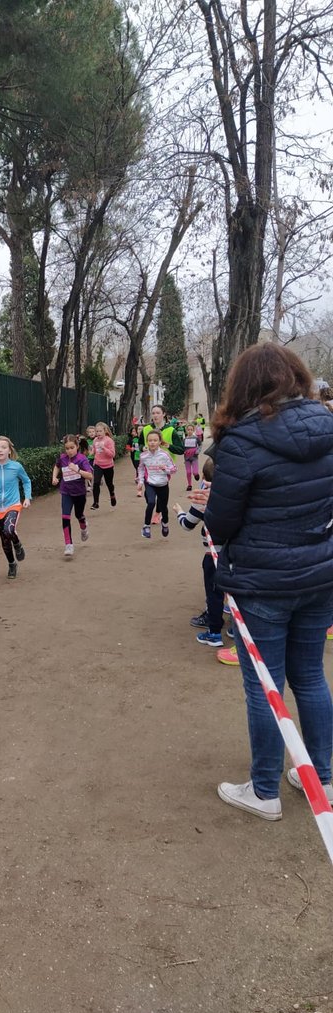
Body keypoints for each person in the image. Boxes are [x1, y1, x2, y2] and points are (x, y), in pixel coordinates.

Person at [203, 343, 333, 819]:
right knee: (310, 676)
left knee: (265, 686)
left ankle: (263, 790)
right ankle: (320, 776)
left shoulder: (240, 441)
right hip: (320, 577)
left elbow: (221, 524)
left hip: (263, 584)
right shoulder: (328, 426)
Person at [173, 458, 225, 647]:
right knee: (235, 591)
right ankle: (235, 629)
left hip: (212, 555)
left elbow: (187, 525)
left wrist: (179, 511)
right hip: (235, 552)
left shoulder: (203, 498)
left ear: (204, 477)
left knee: (214, 593)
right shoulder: (236, 497)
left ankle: (214, 632)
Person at [0, 436, 32, 579]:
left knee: (9, 530)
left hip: (13, 504)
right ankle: (11, 564)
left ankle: (17, 543)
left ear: (9, 450)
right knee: (4, 540)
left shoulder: (16, 466)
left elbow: (26, 481)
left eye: (3, 447)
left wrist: (27, 497)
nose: (0, 450)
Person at [52, 434, 93, 557]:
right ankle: (68, 544)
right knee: (65, 517)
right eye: (67, 448)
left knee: (78, 515)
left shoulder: (82, 459)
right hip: (66, 492)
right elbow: (57, 466)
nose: (69, 451)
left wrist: (78, 470)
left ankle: (84, 526)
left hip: (79, 493)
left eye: (72, 448)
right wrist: (54, 477)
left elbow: (90, 476)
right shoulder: (62, 458)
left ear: (77, 446)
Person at [136, 429, 176, 538]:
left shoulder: (165, 455)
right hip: (150, 483)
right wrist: (140, 481)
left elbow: (174, 469)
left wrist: (166, 469)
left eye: (155, 440)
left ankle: (165, 524)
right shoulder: (144, 456)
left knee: (163, 508)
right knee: (151, 503)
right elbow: (141, 469)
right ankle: (146, 527)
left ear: (159, 442)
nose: (152, 442)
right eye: (150, 440)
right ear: (147, 442)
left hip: (163, 484)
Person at [90, 422, 117, 510]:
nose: (98, 433)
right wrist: (91, 453)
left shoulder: (109, 440)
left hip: (108, 466)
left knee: (109, 484)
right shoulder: (95, 440)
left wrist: (104, 448)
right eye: (97, 431)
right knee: (96, 483)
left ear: (105, 431)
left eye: (100, 431)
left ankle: (112, 494)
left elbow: (112, 454)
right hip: (98, 464)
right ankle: (96, 503)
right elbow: (94, 451)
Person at [182, 423, 201, 491]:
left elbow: (200, 445)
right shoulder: (184, 439)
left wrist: (197, 451)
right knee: (188, 472)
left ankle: (196, 475)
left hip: (194, 457)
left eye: (191, 429)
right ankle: (189, 485)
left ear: (193, 430)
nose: (189, 431)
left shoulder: (196, 438)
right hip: (187, 458)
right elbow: (183, 448)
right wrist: (183, 452)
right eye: (188, 429)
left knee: (195, 472)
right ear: (186, 430)